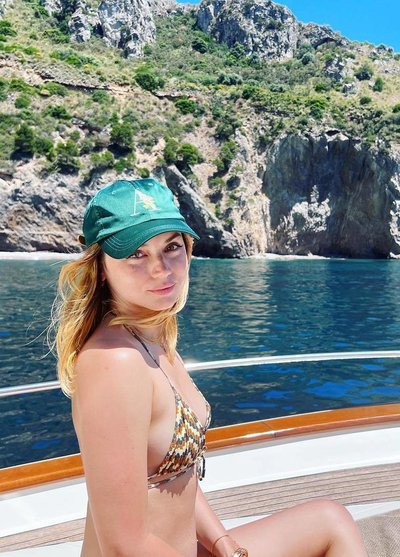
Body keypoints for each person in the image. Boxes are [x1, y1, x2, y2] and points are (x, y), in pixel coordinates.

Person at [54, 177, 368, 557]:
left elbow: (177, 470)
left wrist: (223, 543)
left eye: (171, 247)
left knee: (331, 520)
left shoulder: (154, 339)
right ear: (102, 267)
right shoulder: (114, 362)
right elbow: (124, 546)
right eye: (137, 254)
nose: (161, 268)